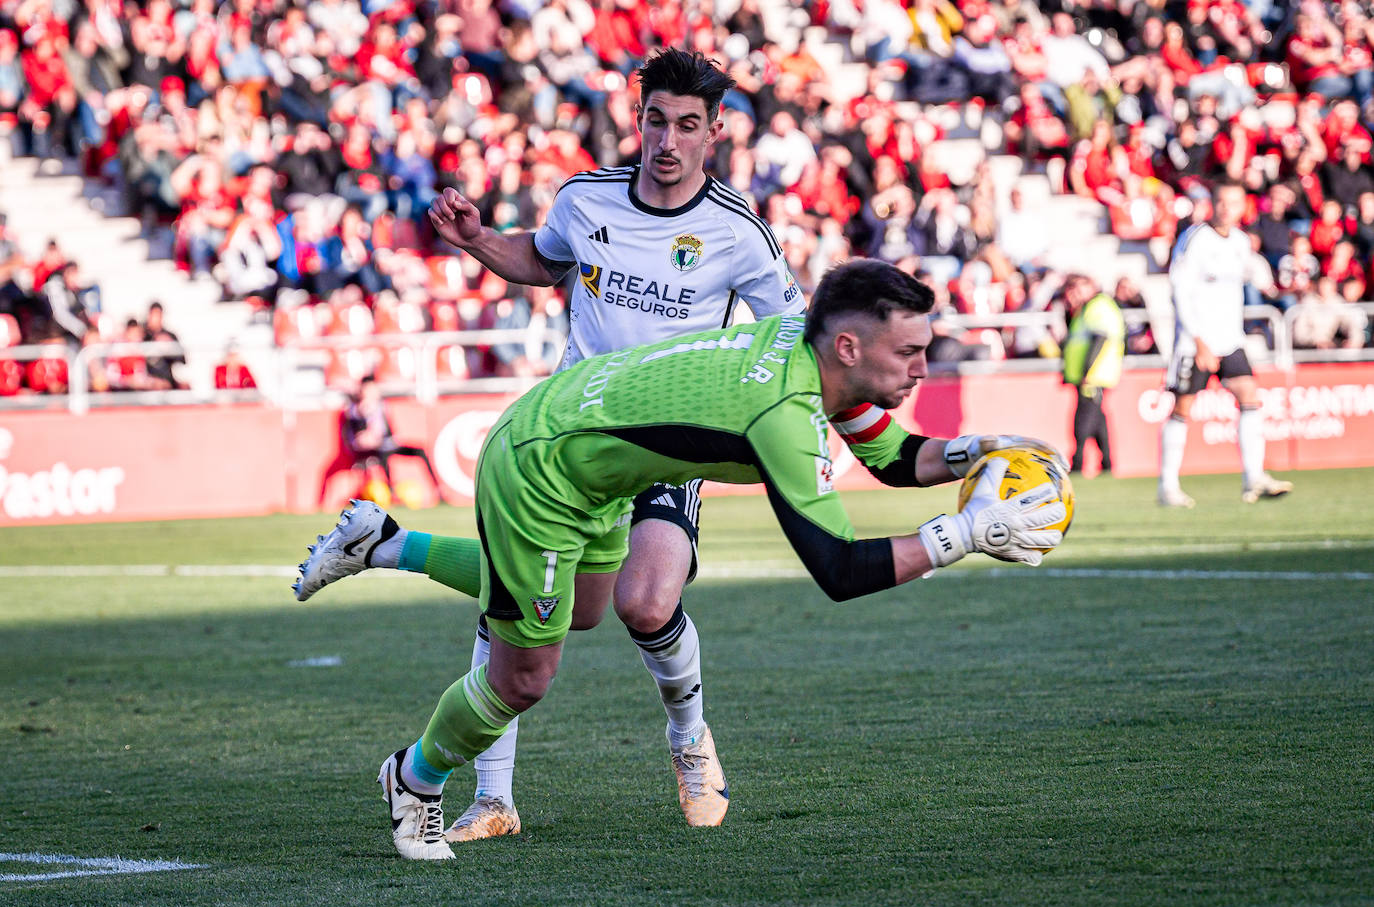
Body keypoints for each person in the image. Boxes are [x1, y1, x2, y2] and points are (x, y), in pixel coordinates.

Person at [377, 259, 1069, 860]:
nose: (923, 366)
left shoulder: (809, 348)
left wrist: (973, 450)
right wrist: (965, 535)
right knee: (525, 678)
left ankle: (389, 544)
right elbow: (840, 570)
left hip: (589, 450)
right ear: (851, 347)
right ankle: (415, 777)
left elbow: (889, 456)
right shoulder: (786, 410)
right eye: (910, 351)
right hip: (542, 466)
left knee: (589, 607)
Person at [295, 49, 809, 841]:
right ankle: (491, 797)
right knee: (560, 613)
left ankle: (689, 742)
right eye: (656, 121)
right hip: (570, 435)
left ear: (714, 133)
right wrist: (478, 240)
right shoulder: (586, 198)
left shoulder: (737, 231)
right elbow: (543, 259)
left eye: (687, 126)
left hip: (667, 445)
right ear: (637, 121)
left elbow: (788, 330)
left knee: (641, 602)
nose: (668, 141)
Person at [1159, 181, 1292, 507]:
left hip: (1229, 338)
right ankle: (1168, 486)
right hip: (1194, 341)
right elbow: (1179, 291)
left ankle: (1254, 477)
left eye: (1232, 202)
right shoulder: (1195, 239)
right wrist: (1198, 341)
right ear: (1212, 204)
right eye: (1220, 201)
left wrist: (1276, 287)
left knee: (1249, 394)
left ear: (1241, 206)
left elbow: (1253, 271)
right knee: (1182, 407)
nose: (1225, 208)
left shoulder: (1240, 241)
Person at [1060, 275, 1125, 475]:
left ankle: (1078, 463)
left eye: (1078, 288)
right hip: (1092, 374)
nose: (1074, 294)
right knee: (1097, 420)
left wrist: (1087, 371)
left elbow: (1100, 338)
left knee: (1083, 420)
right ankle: (1106, 463)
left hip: (1094, 374)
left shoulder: (1098, 306)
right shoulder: (1086, 308)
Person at [342, 376, 444, 501]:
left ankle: (438, 490)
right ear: (362, 390)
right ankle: (390, 492)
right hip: (372, 449)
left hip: (387, 444)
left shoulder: (381, 405)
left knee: (419, 451)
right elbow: (353, 438)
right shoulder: (355, 410)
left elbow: (385, 431)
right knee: (384, 454)